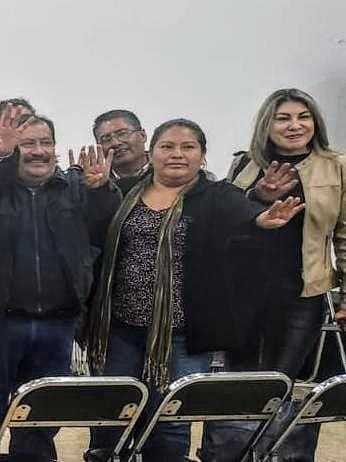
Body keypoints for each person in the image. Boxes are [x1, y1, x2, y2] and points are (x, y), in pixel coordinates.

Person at [84, 119, 305, 460]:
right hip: (120, 330)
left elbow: (244, 214)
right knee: (112, 413)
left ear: (202, 156)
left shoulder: (218, 195)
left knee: (171, 419)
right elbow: (95, 230)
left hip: (183, 336)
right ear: (151, 153)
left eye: (188, 147)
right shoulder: (125, 191)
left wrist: (261, 218)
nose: (177, 154)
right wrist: (97, 191)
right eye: (167, 147)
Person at [0, 113, 119, 461]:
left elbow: (104, 234)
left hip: (58, 325)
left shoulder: (75, 189)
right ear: (12, 148)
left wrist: (100, 192)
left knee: (41, 417)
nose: (39, 151)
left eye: (45, 143)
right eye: (28, 144)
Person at [205, 88, 346, 461]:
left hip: (301, 296)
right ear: (267, 125)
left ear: (315, 122)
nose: (294, 125)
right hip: (240, 296)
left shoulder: (336, 166)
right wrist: (258, 197)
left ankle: (274, 455)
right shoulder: (244, 164)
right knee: (239, 387)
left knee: (279, 385)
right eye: (283, 118)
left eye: (303, 116)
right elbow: (225, 221)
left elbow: (345, 235)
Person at [93, 109, 149, 180]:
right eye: (107, 139)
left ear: (142, 136)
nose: (115, 143)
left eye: (122, 134)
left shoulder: (162, 170)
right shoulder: (95, 181)